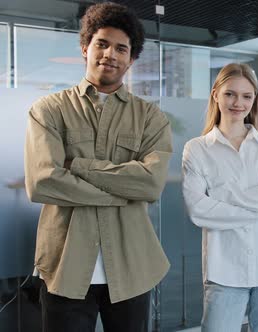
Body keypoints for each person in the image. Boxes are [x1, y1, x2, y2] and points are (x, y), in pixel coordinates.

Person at [24, 2, 171, 331]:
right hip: (64, 267)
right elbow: (43, 182)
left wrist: (76, 165)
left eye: (121, 48)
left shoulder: (150, 118)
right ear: (84, 47)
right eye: (102, 43)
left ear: (131, 59)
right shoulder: (49, 110)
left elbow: (149, 185)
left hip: (134, 266)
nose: (110, 54)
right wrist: (124, 192)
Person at [182, 63, 258, 332]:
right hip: (224, 268)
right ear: (215, 95)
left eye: (247, 96)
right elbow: (198, 210)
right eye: (230, 94)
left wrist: (222, 195)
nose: (239, 103)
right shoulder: (197, 149)